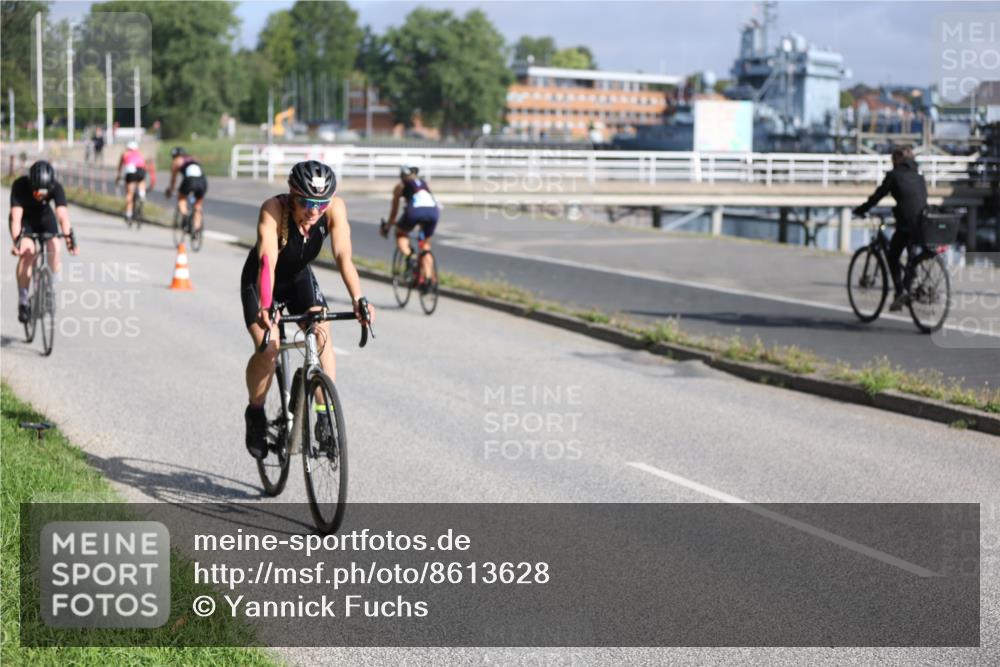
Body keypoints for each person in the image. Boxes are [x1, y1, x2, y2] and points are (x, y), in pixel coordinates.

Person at [241, 160, 375, 460]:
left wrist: (358, 299)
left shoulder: (335, 209)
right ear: (291, 196)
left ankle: (324, 415)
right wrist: (266, 305)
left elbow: (343, 255)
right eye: (305, 203)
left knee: (321, 331)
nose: (314, 211)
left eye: (321, 204)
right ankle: (256, 413)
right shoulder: (273, 210)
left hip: (298, 277)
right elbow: (267, 262)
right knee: (269, 348)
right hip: (262, 280)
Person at [853, 146, 928, 311]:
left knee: (893, 256)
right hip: (922, 223)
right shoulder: (919, 175)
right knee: (911, 256)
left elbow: (877, 196)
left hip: (906, 224)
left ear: (896, 160)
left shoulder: (894, 176)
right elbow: (918, 199)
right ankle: (911, 280)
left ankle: (901, 291)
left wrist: (861, 209)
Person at [9, 161, 78, 323]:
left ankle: (50, 291)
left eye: (43, 193)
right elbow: (16, 218)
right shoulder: (20, 186)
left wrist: (70, 240)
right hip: (25, 221)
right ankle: (24, 300)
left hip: (45, 219)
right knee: (28, 252)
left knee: (55, 246)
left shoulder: (56, 187)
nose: (40, 196)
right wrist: (16, 242)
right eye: (37, 192)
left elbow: (62, 216)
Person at [380, 164, 439, 289]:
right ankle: (428, 279)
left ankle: (410, 256)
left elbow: (394, 212)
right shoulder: (424, 183)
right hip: (433, 212)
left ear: (402, 176)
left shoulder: (400, 186)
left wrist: (388, 226)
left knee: (400, 233)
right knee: (425, 245)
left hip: (414, 212)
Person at [164, 146, 207, 236]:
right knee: (198, 205)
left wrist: (170, 190)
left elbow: (173, 180)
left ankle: (185, 216)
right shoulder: (193, 158)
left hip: (189, 181)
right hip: (202, 181)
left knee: (181, 198)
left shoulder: (177, 161)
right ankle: (197, 229)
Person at [115, 140, 156, 222]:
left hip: (130, 170)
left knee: (130, 193)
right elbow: (145, 164)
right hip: (140, 169)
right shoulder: (140, 153)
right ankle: (142, 194)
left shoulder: (125, 153)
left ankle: (128, 213)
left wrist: (118, 176)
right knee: (141, 181)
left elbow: (120, 167)